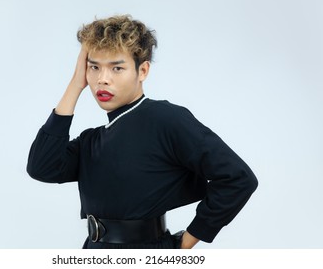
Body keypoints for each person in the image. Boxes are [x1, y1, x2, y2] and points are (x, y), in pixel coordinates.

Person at [26, 15, 258, 249]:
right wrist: (76, 83)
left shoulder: (166, 119)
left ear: (143, 70)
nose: (102, 79)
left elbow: (238, 178)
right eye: (94, 67)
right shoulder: (91, 140)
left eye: (117, 68)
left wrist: (187, 241)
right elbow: (42, 167)